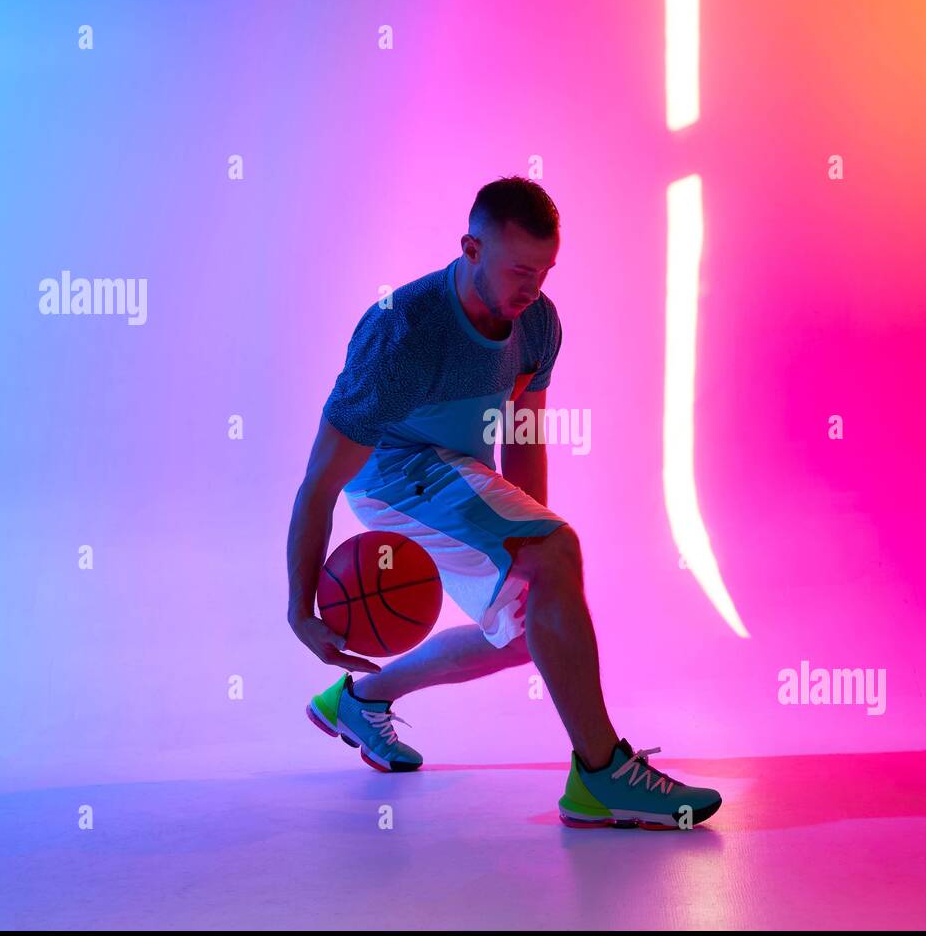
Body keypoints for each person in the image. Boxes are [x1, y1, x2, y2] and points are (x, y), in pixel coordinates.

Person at [286, 176, 721, 829]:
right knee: (554, 555)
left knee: (527, 629)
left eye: (544, 271)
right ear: (470, 248)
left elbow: (525, 432)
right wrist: (299, 609)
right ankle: (602, 775)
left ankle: (361, 700)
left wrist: (528, 555)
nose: (533, 287)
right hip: (395, 475)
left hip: (460, 472)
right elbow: (320, 479)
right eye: (520, 269)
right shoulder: (401, 335)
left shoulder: (537, 324)